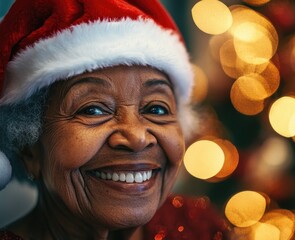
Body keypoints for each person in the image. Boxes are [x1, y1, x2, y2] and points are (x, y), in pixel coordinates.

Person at [0, 0, 229, 239]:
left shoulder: (199, 228)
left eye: (157, 109)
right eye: (93, 110)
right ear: (28, 147)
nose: (137, 137)